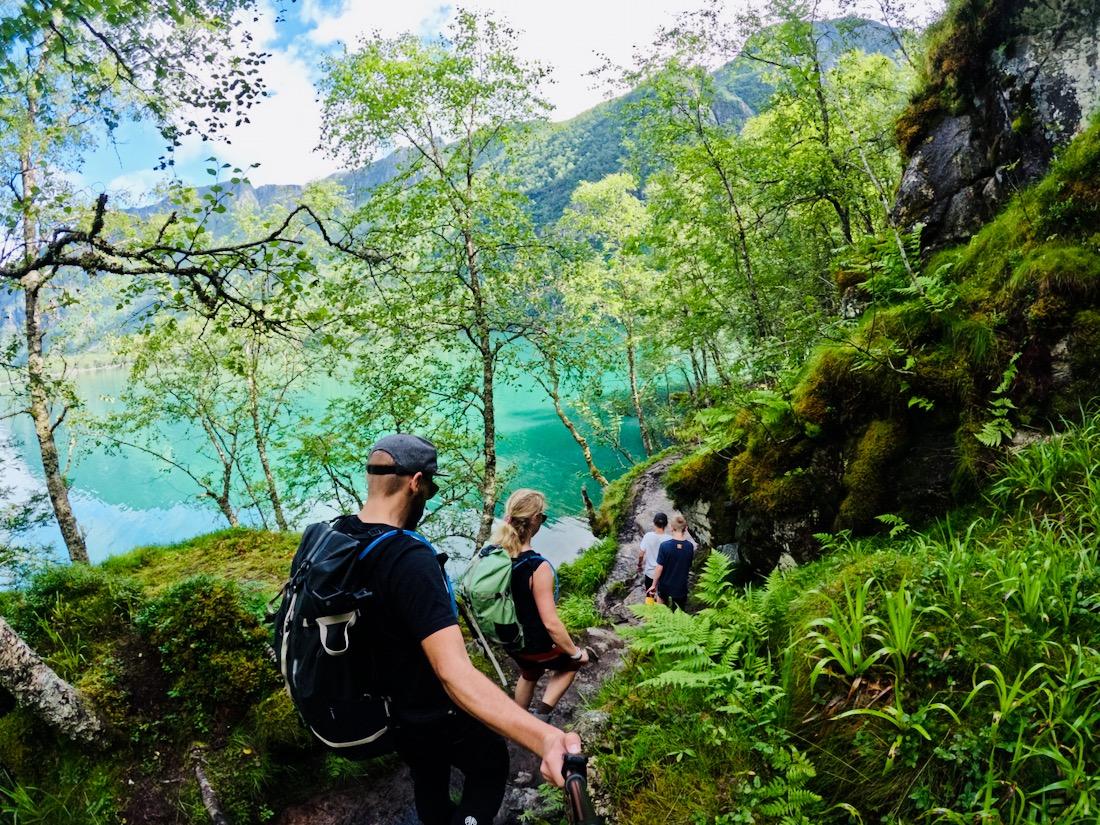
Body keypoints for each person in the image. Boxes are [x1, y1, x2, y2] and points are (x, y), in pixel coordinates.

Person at [331, 435, 581, 825]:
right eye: (431, 485)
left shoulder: (336, 536)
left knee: (427, 775)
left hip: (384, 711)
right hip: (428, 710)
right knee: (489, 762)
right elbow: (454, 673)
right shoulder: (409, 558)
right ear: (416, 482)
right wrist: (544, 738)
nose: (430, 493)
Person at [492, 489, 592, 722]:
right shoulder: (537, 567)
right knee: (570, 665)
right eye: (543, 517)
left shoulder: (496, 556)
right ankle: (540, 717)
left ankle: (517, 721)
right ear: (535, 520)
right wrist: (576, 654)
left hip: (509, 638)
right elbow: (550, 623)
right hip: (534, 643)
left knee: (530, 672)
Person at [646, 514, 695, 611]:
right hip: (681, 587)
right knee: (678, 614)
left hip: (665, 586)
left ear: (671, 528)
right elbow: (688, 565)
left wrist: (653, 585)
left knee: (661, 612)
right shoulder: (690, 546)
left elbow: (659, 568)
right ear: (686, 528)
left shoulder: (665, 546)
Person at [636, 511, 669, 592]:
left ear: (654, 523)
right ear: (666, 524)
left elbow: (641, 554)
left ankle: (650, 604)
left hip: (650, 573)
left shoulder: (648, 536)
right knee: (662, 597)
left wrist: (639, 565)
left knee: (650, 594)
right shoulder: (670, 539)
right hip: (664, 574)